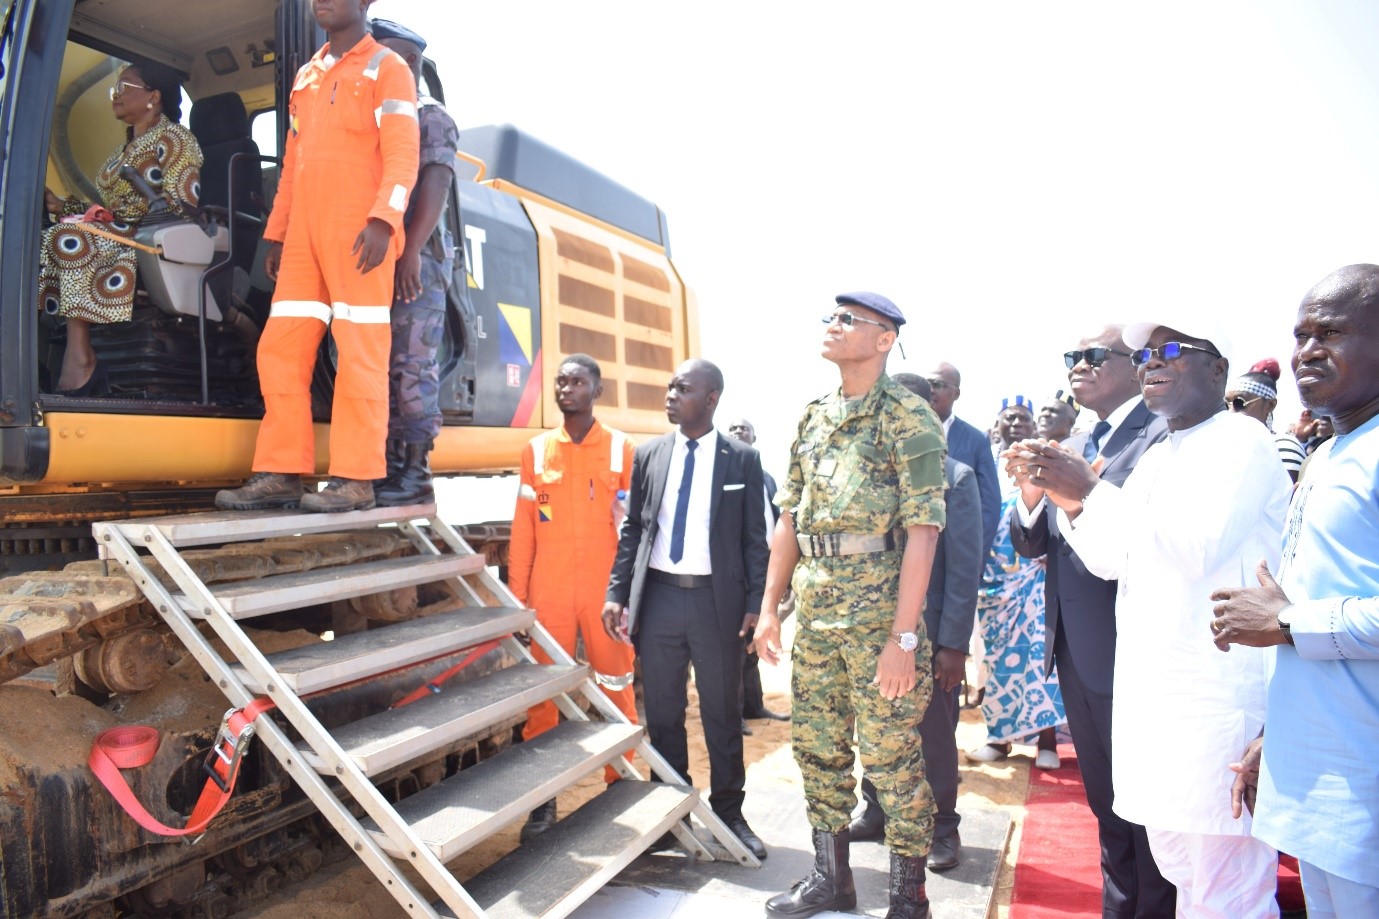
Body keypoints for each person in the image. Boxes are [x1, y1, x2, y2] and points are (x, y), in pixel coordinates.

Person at [1012, 314, 1290, 917]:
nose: (1151, 362)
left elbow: (1197, 547)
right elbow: (1113, 557)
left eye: (1169, 349)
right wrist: (1069, 499)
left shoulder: (1241, 440)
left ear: (1219, 368)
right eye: (1142, 355)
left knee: (1229, 894)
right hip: (1156, 710)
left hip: (1212, 706)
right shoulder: (1166, 448)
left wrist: (1091, 487)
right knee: (1183, 880)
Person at [754, 292, 946, 919]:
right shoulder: (813, 417)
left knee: (892, 759)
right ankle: (830, 880)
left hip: (879, 623)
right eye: (830, 318)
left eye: (848, 321)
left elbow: (923, 531)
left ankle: (908, 896)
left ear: (885, 339)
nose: (833, 327)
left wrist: (904, 639)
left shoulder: (910, 417)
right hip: (817, 617)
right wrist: (768, 609)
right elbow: (789, 518)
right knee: (818, 748)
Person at [1211, 263, 1379, 917]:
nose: (1305, 350)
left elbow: (1296, 616)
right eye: (1299, 334)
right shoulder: (1330, 450)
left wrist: (1286, 621)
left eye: (1328, 334)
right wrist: (1274, 737)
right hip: (1315, 784)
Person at [215, 0, 419, 513]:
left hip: (359, 235)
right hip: (304, 238)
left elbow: (403, 154)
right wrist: (278, 234)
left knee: (359, 354)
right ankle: (281, 473)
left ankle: (355, 479)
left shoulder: (386, 68)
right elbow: (293, 164)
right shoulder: (307, 75)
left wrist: (383, 220)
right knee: (280, 350)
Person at [1007, 326, 1174, 918]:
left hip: (1134, 648)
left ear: (1136, 366)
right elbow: (1033, 543)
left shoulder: (1160, 433)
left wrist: (1080, 491)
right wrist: (1031, 493)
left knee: (1148, 812)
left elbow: (1145, 543)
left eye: (1094, 355)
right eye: (1071, 357)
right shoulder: (1076, 438)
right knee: (1105, 804)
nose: (1079, 365)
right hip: (1075, 647)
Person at [601, 359, 770, 860]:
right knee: (665, 713)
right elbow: (633, 529)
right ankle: (670, 811)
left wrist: (756, 604)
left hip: (717, 603)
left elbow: (754, 541)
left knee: (721, 710)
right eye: (670, 386)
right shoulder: (650, 454)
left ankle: (729, 812)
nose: (671, 394)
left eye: (683, 388)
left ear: (712, 397)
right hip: (659, 599)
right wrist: (616, 592)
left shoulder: (741, 459)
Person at [848, 372, 983, 874]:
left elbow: (964, 568)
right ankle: (878, 811)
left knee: (932, 737)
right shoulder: (866, 474)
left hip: (928, 639)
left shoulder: (956, 475)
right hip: (869, 634)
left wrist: (953, 645)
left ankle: (944, 829)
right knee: (875, 727)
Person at [507, 354, 637, 841]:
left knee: (617, 685)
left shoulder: (622, 450)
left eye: (577, 381)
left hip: (607, 594)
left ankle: (618, 788)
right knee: (542, 700)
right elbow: (523, 533)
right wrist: (519, 601)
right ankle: (543, 803)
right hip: (550, 590)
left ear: (596, 390)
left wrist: (628, 597)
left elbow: (636, 532)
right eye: (560, 382)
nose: (566, 388)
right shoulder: (536, 452)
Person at [39, 61, 203, 396]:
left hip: (148, 237)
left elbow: (183, 205)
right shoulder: (121, 150)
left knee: (71, 239)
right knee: (48, 236)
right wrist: (64, 206)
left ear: (153, 96)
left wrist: (124, 225)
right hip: (120, 229)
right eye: (114, 87)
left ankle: (80, 356)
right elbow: (110, 210)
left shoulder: (174, 139)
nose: (114, 94)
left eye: (124, 86)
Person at [369, 19, 459, 507]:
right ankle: (386, 467)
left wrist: (409, 253)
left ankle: (415, 472)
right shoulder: (384, 113)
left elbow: (436, 187)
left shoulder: (430, 115)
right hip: (386, 256)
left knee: (410, 364)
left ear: (408, 63)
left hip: (415, 260)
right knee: (381, 365)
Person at [967, 395, 1065, 770]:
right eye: (1009, 419)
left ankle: (1047, 743)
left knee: (1042, 659)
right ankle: (998, 739)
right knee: (995, 662)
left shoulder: (1044, 460)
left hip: (1036, 576)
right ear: (998, 426)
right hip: (993, 584)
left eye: (1024, 418)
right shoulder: (985, 463)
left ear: (1033, 426)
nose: (1017, 424)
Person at [726, 417, 791, 733]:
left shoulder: (766, 478)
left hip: (764, 565)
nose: (738, 432)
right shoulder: (722, 474)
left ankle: (754, 706)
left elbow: (780, 521)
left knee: (757, 634)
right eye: (733, 428)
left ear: (755, 435)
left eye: (744, 428)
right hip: (736, 568)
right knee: (736, 640)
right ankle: (733, 714)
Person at [924, 361, 1000, 553]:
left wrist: (974, 562)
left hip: (952, 555)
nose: (931, 390)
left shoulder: (976, 440)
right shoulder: (901, 431)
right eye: (928, 384)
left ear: (956, 394)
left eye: (939, 385)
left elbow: (988, 507)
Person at [1225, 358, 1306, 483]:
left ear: (1270, 405)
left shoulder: (1283, 446)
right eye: (1227, 405)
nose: (1231, 411)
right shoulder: (1227, 446)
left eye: (1240, 403)